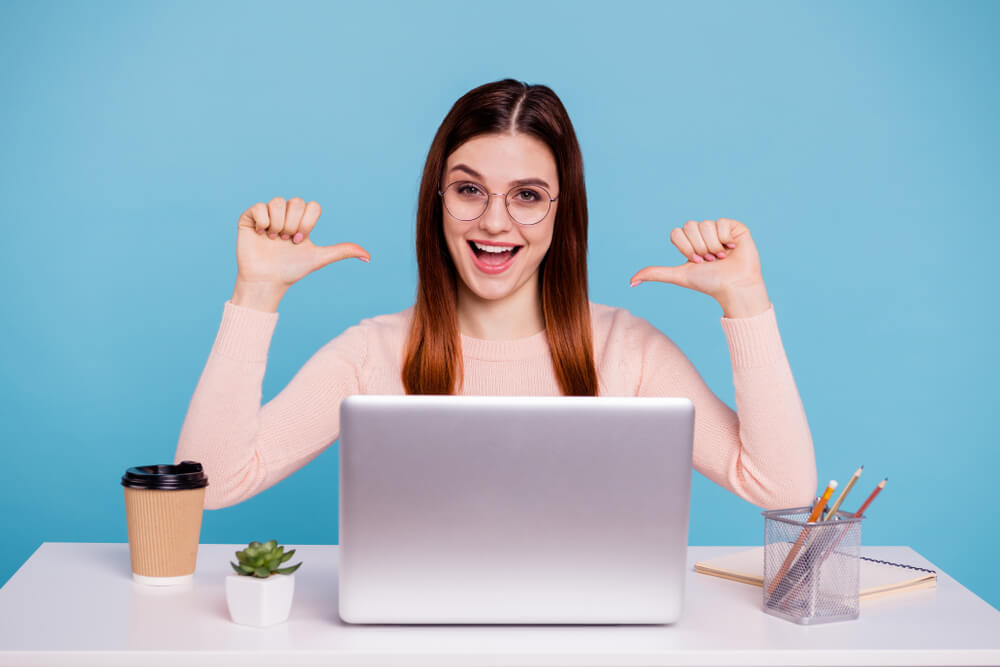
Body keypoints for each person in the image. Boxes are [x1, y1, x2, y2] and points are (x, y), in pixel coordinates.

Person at [175, 78, 817, 511]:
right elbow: (206, 485)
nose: (494, 222)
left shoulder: (629, 351)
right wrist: (255, 293)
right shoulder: (371, 353)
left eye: (528, 196)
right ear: (438, 199)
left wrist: (747, 302)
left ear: (564, 211)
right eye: (469, 188)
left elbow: (784, 489)